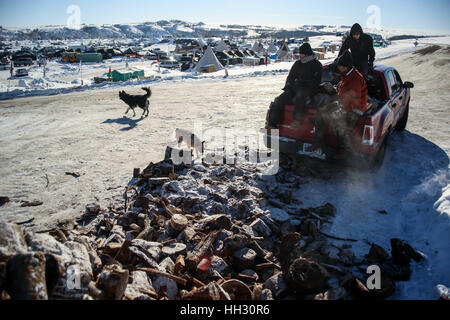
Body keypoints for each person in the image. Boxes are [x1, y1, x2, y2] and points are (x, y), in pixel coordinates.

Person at [307, 50, 368, 158]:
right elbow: (342, 91)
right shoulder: (345, 74)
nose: (338, 68)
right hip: (343, 103)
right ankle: (318, 141)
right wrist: (332, 88)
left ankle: (345, 150)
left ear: (346, 66)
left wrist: (341, 110)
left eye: (339, 66)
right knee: (322, 112)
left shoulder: (356, 79)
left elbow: (354, 100)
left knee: (338, 122)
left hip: (355, 108)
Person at [267, 43, 322, 130]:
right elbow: (291, 77)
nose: (300, 55)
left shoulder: (316, 65)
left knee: (300, 96)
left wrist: (309, 90)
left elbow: (317, 81)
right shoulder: (298, 64)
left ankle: (297, 120)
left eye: (302, 54)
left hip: (308, 89)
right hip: (296, 87)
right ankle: (272, 123)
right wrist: (288, 87)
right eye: (300, 54)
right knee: (279, 99)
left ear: (307, 54)